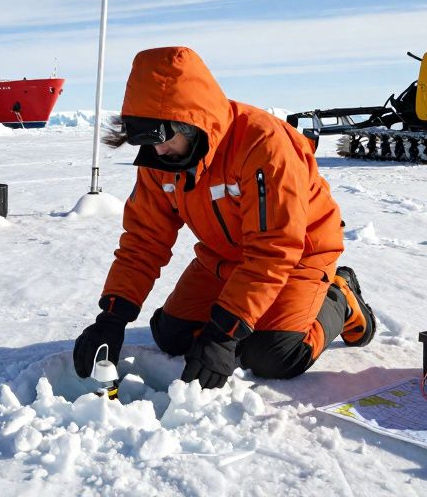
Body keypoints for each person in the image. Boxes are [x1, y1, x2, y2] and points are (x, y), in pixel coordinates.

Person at [72, 46, 375, 388]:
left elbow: (274, 248)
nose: (157, 150)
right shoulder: (160, 160)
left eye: (160, 137)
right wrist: (112, 318)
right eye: (144, 138)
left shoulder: (263, 143)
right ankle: (252, 315)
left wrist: (224, 333)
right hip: (223, 258)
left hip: (299, 256)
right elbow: (145, 239)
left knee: (273, 355)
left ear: (189, 121)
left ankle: (339, 295)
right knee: (171, 336)